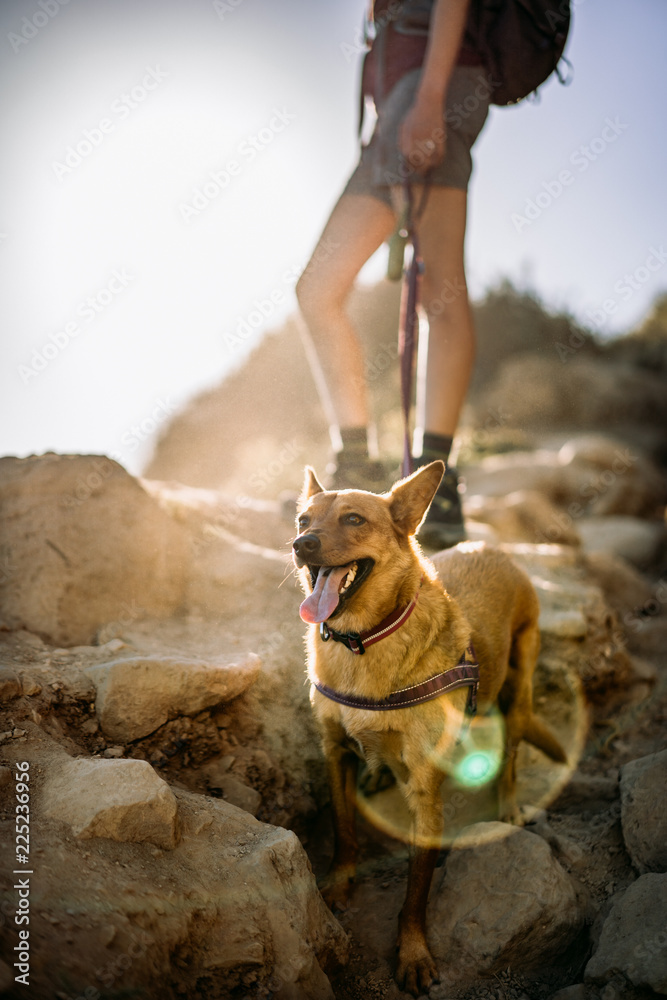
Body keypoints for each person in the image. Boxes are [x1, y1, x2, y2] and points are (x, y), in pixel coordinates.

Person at [296, 0, 491, 548]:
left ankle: (436, 483)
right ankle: (356, 465)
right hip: (394, 106)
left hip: (434, 87)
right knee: (317, 290)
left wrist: (431, 98)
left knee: (440, 288)